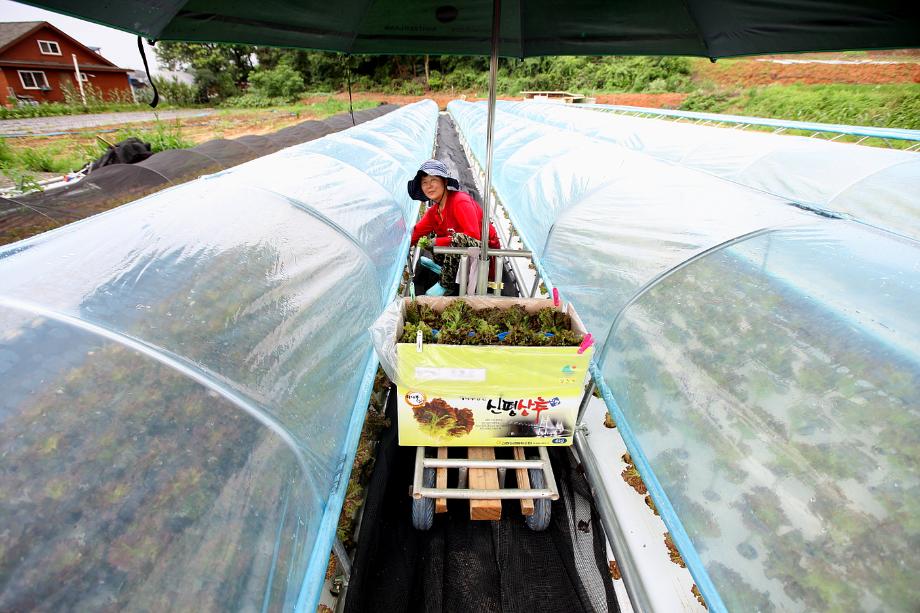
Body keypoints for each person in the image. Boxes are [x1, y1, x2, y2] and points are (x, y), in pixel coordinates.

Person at [408, 159, 500, 296]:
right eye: (424, 182)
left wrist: (439, 242)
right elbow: (416, 233)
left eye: (433, 180)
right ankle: (445, 269)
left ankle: (446, 284)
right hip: (463, 254)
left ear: (445, 182)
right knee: (431, 239)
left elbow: (473, 236)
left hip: (484, 252)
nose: (429, 186)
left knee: (455, 238)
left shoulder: (460, 201)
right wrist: (398, 247)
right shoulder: (434, 211)